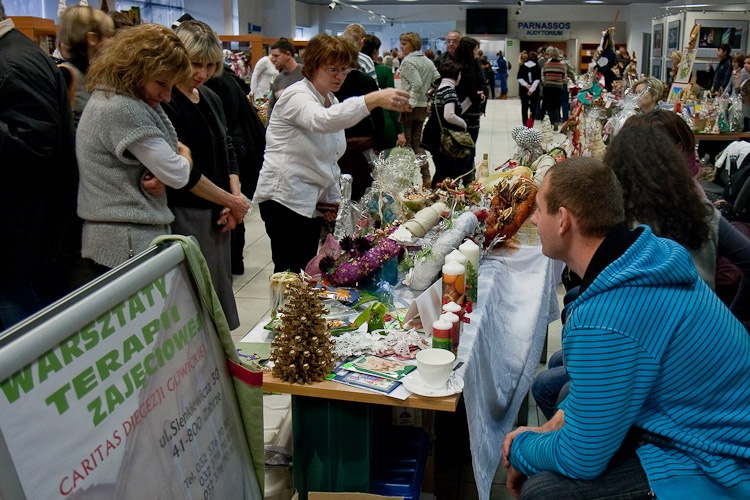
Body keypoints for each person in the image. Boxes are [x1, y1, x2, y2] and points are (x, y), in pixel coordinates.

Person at [504, 156, 750, 500]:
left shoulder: (607, 317)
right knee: (562, 395)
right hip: (702, 423)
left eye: (539, 210)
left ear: (563, 220)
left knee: (544, 491)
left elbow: (580, 458)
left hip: (719, 462)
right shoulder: (647, 255)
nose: (533, 219)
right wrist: (549, 432)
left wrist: (520, 449)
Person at [252, 33, 408, 273]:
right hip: (284, 199)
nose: (339, 76)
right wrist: (373, 99)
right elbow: (322, 121)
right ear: (313, 66)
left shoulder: (330, 100)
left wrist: (332, 201)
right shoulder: (297, 96)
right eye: (332, 69)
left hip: (308, 201)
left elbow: (330, 159)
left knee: (305, 271)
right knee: (290, 273)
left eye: (344, 69)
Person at [0, 1, 91, 328]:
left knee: (32, 337)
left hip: (26, 244)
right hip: (27, 240)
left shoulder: (12, 62)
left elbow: (35, 145)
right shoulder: (14, 56)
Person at [76, 23, 193, 275]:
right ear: (136, 69)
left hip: (122, 237)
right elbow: (178, 173)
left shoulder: (114, 98)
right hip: (125, 241)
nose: (167, 96)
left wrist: (167, 168)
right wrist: (186, 155)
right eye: (161, 83)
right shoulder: (124, 109)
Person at [163, 19, 251, 330]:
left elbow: (227, 149)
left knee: (216, 301)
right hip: (186, 213)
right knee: (192, 304)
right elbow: (184, 173)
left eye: (210, 65)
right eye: (195, 63)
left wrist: (234, 198)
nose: (202, 73)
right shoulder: (167, 101)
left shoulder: (210, 97)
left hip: (219, 214)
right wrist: (230, 200)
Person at [205, 61, 267, 276]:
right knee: (233, 203)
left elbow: (225, 129)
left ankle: (233, 261)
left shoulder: (212, 86)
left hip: (233, 148)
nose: (201, 72)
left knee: (230, 206)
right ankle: (235, 262)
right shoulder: (228, 79)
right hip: (241, 145)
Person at [57, 5, 115, 127]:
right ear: (92, 38)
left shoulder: (97, 74)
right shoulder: (65, 75)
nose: (113, 41)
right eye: (109, 36)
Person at [398, 31, 440, 187]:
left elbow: (416, 84)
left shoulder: (408, 61)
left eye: (404, 44)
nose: (401, 47)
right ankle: (426, 176)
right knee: (417, 144)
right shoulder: (428, 61)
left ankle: (408, 181)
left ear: (413, 44)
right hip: (422, 107)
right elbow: (437, 79)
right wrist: (428, 97)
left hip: (409, 106)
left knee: (407, 145)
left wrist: (411, 102)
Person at [421, 61, 470, 187]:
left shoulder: (438, 89)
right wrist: (463, 124)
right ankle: (438, 194)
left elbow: (451, 111)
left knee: (441, 168)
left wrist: (469, 101)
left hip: (432, 135)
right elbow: (449, 115)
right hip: (442, 138)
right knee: (446, 171)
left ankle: (435, 193)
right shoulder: (449, 91)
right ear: (456, 75)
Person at [365, 34, 406, 150]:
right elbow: (392, 102)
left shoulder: (351, 72)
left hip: (361, 123)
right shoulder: (385, 71)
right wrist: (400, 131)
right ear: (375, 51)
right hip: (384, 121)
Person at [454, 36, 485, 182]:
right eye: (475, 49)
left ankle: (466, 178)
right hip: (466, 112)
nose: (477, 52)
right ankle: (465, 178)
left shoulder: (463, 64)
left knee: (467, 148)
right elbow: (470, 91)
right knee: (468, 147)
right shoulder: (466, 67)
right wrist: (478, 96)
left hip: (465, 112)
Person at [268, 38, 303, 117]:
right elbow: (272, 106)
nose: (273, 60)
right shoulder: (278, 80)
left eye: (276, 56)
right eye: (272, 56)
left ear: (288, 54)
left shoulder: (306, 74)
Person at [541, 47, 566, 131]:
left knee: (549, 105)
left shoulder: (546, 64)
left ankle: (551, 121)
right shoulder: (562, 65)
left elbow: (544, 75)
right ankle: (556, 121)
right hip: (558, 87)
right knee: (557, 105)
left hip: (548, 87)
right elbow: (564, 76)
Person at [517, 50, 541, 126]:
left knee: (524, 106)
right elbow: (537, 79)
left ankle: (524, 123)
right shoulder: (537, 67)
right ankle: (531, 122)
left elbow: (519, 78)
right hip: (534, 90)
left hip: (524, 89)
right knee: (533, 107)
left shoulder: (522, 66)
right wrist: (531, 89)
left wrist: (526, 85)